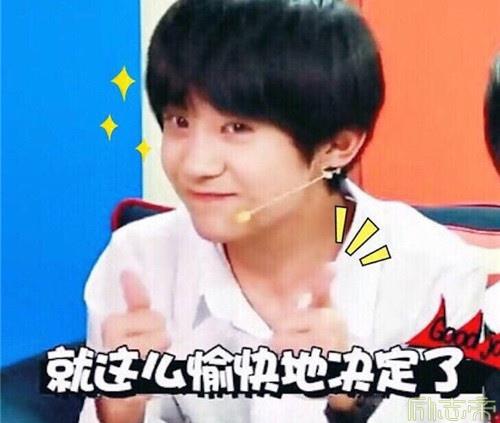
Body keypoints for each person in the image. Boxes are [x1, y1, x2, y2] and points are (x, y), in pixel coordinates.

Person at [79, 1, 486, 422]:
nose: (197, 165)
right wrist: (118, 411)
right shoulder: (139, 261)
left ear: (337, 146)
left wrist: (352, 396)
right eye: (180, 121)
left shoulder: (435, 275)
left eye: (237, 128)